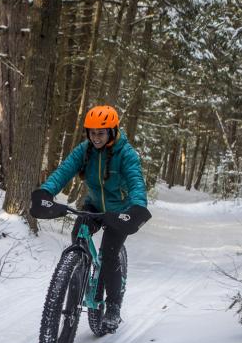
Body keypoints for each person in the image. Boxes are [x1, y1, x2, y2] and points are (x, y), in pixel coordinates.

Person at [30, 105, 151, 330]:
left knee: (110, 254)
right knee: (78, 238)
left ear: (112, 132)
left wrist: (137, 207)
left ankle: (113, 305)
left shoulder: (126, 154)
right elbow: (63, 171)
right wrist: (46, 191)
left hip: (121, 211)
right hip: (94, 207)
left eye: (101, 133)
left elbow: (136, 181)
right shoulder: (85, 150)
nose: (96, 138)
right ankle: (77, 278)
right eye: (92, 133)